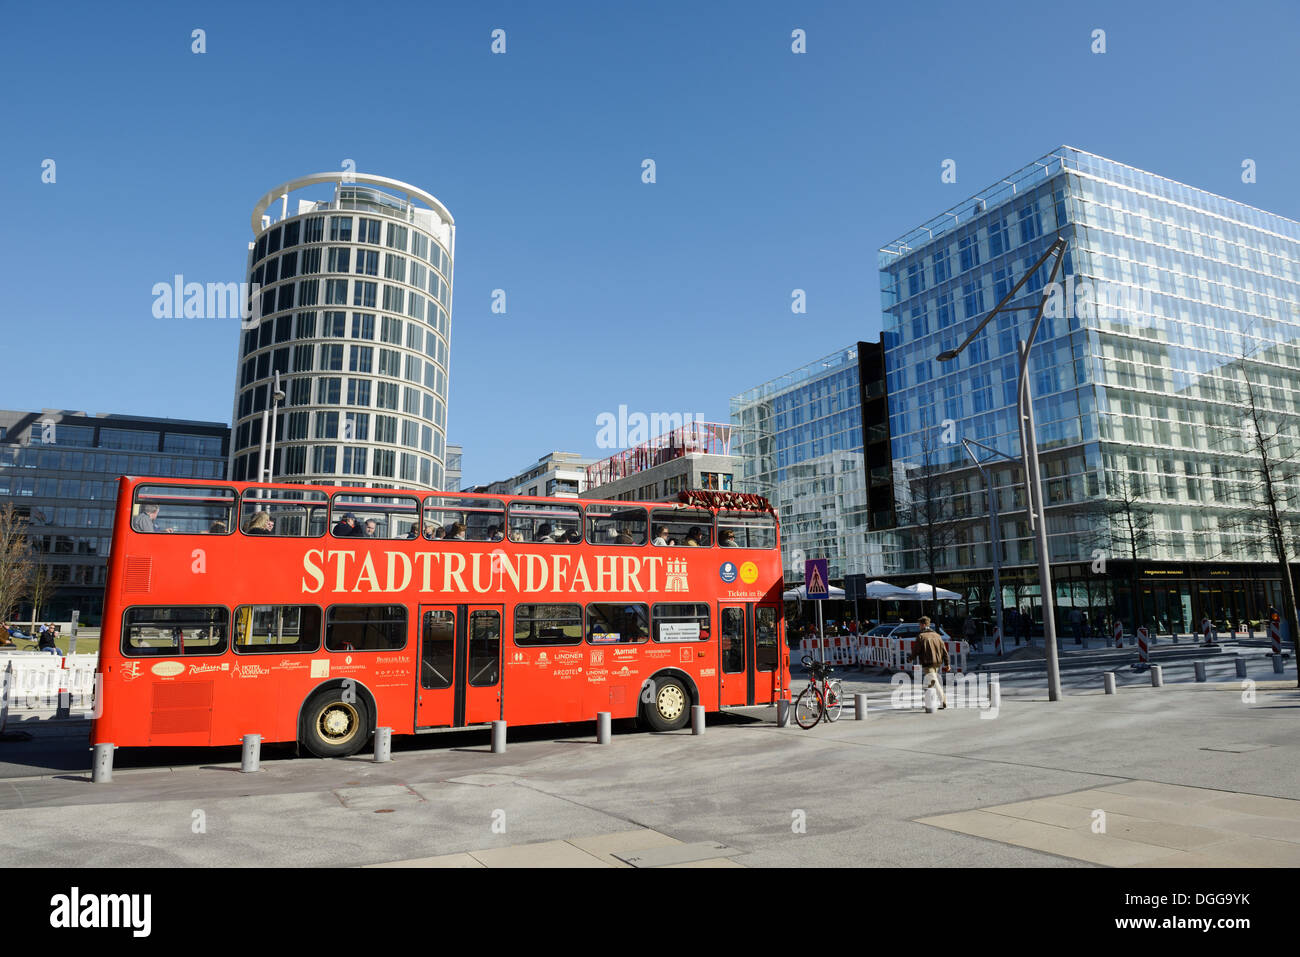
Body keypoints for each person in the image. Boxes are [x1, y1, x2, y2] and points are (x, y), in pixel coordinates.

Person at [911, 616, 948, 709]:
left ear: (923, 625)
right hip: (937, 662)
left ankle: (943, 701)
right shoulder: (937, 635)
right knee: (929, 683)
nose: (919, 627)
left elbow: (916, 650)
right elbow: (944, 650)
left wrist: (910, 658)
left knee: (934, 681)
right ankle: (929, 703)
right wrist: (947, 663)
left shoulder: (921, 636)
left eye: (919, 625)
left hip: (928, 663)